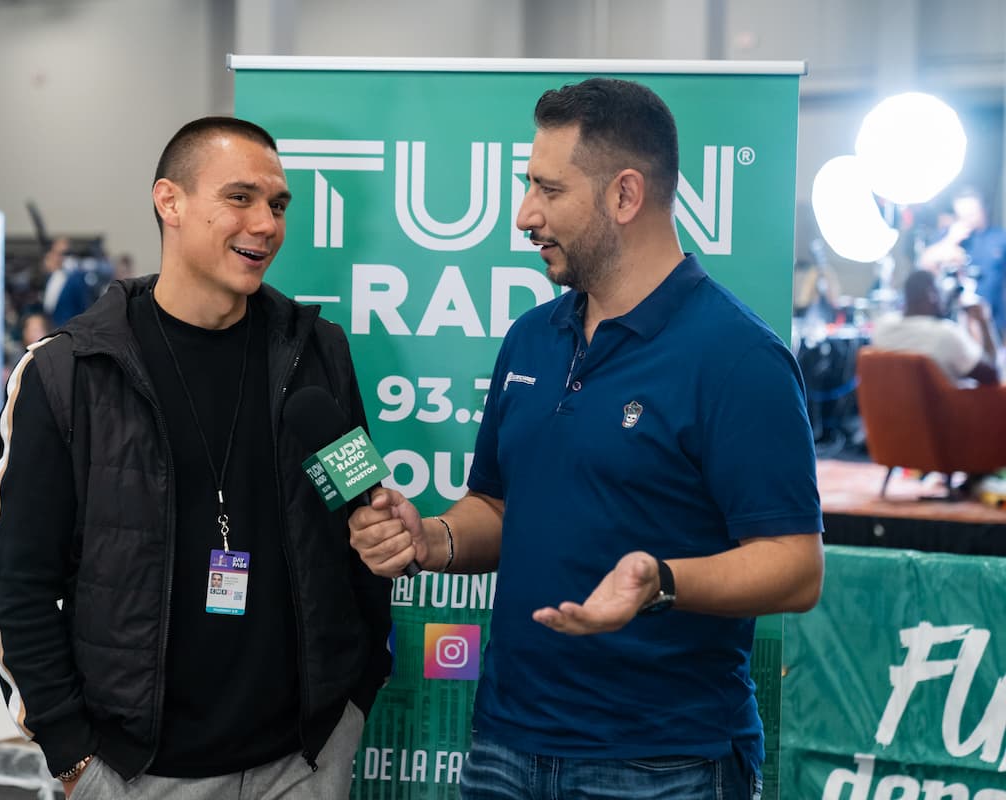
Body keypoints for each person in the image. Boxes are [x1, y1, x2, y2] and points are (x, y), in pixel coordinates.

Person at [349, 78, 824, 800]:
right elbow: (499, 508)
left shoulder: (737, 358)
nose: (524, 215)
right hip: (504, 745)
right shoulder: (533, 337)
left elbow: (795, 567)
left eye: (548, 189)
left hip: (664, 763)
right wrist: (432, 538)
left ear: (625, 196)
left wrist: (661, 581)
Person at [0, 116, 391, 799]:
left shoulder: (317, 355)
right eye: (241, 198)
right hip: (137, 773)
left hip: (303, 763)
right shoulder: (70, 373)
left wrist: (352, 699)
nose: (266, 224)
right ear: (170, 201)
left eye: (279, 205)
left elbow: (361, 527)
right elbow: (13, 582)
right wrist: (74, 753)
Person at [872, 268, 999, 385]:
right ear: (931, 294)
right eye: (940, 291)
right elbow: (992, 375)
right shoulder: (945, 333)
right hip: (948, 409)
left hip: (890, 409)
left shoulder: (882, 327)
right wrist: (983, 322)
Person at [918, 187, 1006, 337]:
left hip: (994, 321)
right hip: (955, 322)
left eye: (971, 213)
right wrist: (950, 240)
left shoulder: (999, 238)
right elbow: (924, 263)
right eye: (962, 215)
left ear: (983, 209)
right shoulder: (949, 236)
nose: (968, 218)